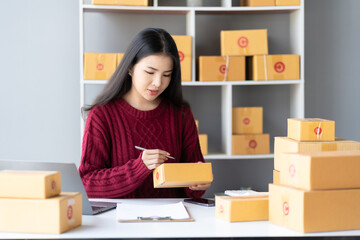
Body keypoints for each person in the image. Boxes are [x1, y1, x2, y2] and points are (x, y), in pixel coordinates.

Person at [79, 28, 211, 199]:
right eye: (150, 72)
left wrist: (198, 182)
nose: (157, 83)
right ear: (130, 68)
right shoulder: (102, 115)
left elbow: (194, 189)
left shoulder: (181, 115)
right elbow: (87, 183)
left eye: (166, 75)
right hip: (119, 222)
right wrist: (138, 168)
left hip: (174, 220)